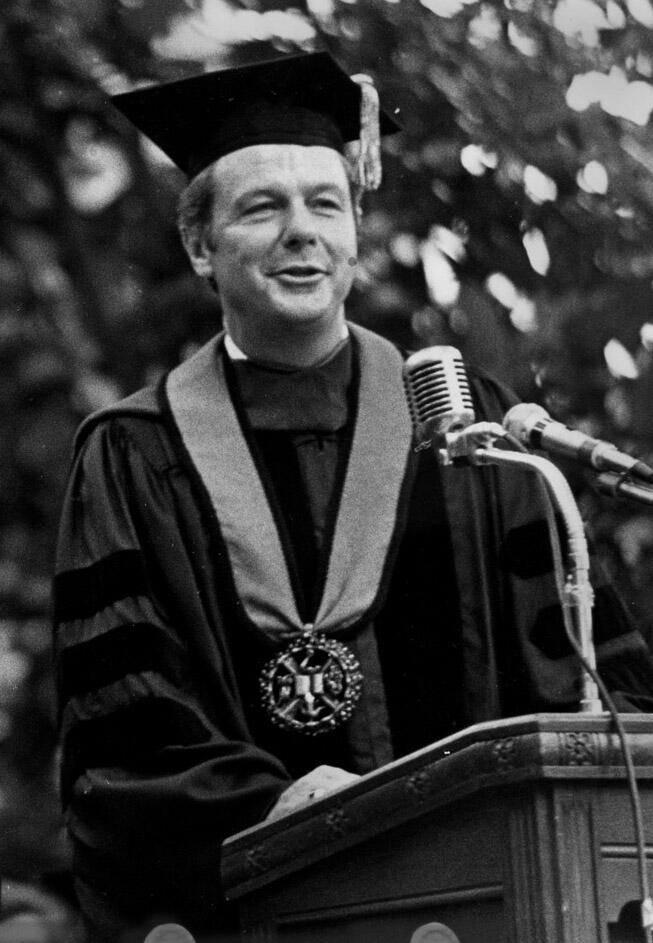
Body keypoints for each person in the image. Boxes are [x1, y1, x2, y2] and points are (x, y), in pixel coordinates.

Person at [52, 51, 653, 942]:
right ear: (199, 246)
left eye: (325, 203)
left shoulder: (463, 426)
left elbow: (580, 669)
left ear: (355, 229)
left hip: (489, 905)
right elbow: (125, 734)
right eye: (262, 206)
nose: (302, 232)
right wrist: (276, 801)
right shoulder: (135, 455)